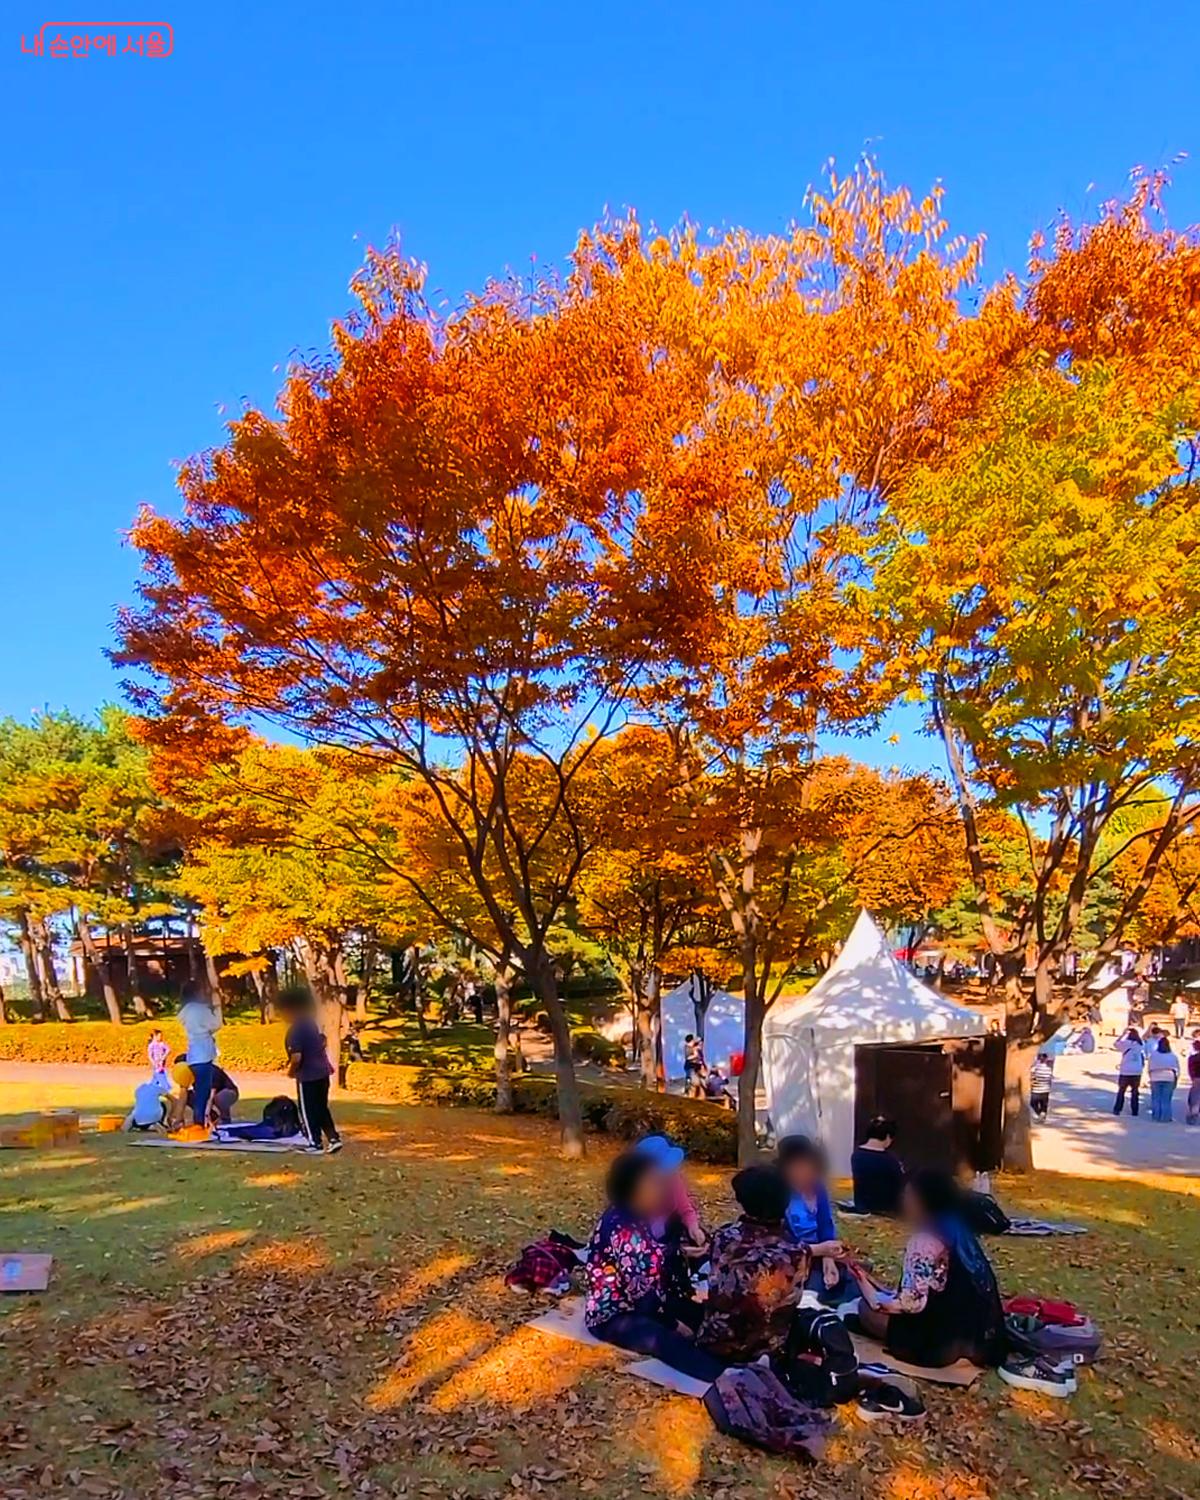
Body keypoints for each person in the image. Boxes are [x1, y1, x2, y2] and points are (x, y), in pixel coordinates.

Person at [584, 1150, 724, 1382]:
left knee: (705, 1314)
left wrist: (684, 1253)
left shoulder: (649, 1214)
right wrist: (674, 1324)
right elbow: (643, 1295)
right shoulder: (623, 1228)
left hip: (656, 1298)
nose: (664, 1189)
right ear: (632, 1191)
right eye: (655, 1184)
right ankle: (725, 1378)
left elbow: (657, 1258)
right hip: (616, 1313)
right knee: (665, 1340)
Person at [849, 1169, 1006, 1370]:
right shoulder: (958, 1229)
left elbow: (910, 1303)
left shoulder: (924, 1242)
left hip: (940, 1344)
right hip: (979, 1337)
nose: (904, 1202)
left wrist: (868, 1289)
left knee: (864, 1309)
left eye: (908, 1196)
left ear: (921, 1202)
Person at [697, 1165, 809, 1364]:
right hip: (767, 1351)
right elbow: (791, 1300)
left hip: (716, 1344)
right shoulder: (798, 1250)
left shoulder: (724, 1238)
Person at [778, 1135, 846, 1301]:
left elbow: (826, 1225)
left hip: (820, 1252)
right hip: (792, 1257)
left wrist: (827, 1258)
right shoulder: (779, 1193)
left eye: (808, 1165)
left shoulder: (818, 1188)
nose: (805, 1172)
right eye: (798, 1166)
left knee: (843, 1279)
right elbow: (780, 1242)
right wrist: (817, 1251)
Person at [279, 987, 342, 1154]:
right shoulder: (310, 1024)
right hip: (322, 1072)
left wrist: (292, 1071)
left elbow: (297, 1057)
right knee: (321, 1107)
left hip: (308, 1075)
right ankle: (333, 1137)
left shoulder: (295, 1030)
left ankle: (314, 1143)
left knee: (307, 1109)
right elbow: (323, 1040)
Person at [177, 981, 222, 1127]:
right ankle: (199, 1124)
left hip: (193, 1055)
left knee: (199, 1092)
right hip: (204, 1055)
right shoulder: (201, 1010)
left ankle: (198, 1122)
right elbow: (216, 1025)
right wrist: (217, 1010)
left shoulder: (186, 1011)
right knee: (203, 1093)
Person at [850, 1117, 905, 1214]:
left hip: (862, 1206)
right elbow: (900, 1184)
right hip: (888, 1208)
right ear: (888, 1137)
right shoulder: (890, 1160)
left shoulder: (857, 1155)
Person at [1112, 1027, 1145, 1117]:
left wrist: (1123, 1035)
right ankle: (1135, 1110)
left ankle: (1117, 1109)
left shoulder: (1126, 1043)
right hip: (1137, 1070)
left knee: (1121, 1091)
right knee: (1135, 1091)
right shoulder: (1141, 1044)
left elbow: (1115, 1044)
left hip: (1125, 1070)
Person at [1147, 1034, 1180, 1123]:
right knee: (1166, 1099)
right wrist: (1176, 1079)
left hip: (1155, 1076)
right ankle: (1165, 1117)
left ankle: (1156, 1116)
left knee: (1156, 1098)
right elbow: (1177, 1069)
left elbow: (1149, 1067)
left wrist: (1150, 1076)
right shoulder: (1173, 1056)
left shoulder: (1154, 1055)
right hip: (1169, 1077)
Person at [1029, 1053, 1054, 1120]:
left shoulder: (1035, 1068)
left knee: (1033, 1103)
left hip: (1036, 1090)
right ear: (1046, 1059)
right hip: (1045, 1090)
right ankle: (1042, 1114)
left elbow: (1031, 1077)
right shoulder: (1049, 1070)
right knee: (1044, 1105)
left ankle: (1039, 1114)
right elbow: (1050, 1080)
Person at [1186, 1039, 1200, 1127]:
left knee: (1195, 1098)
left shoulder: (1192, 1058)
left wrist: (1192, 1078)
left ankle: (1193, 1117)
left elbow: (1190, 1069)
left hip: (1196, 1078)